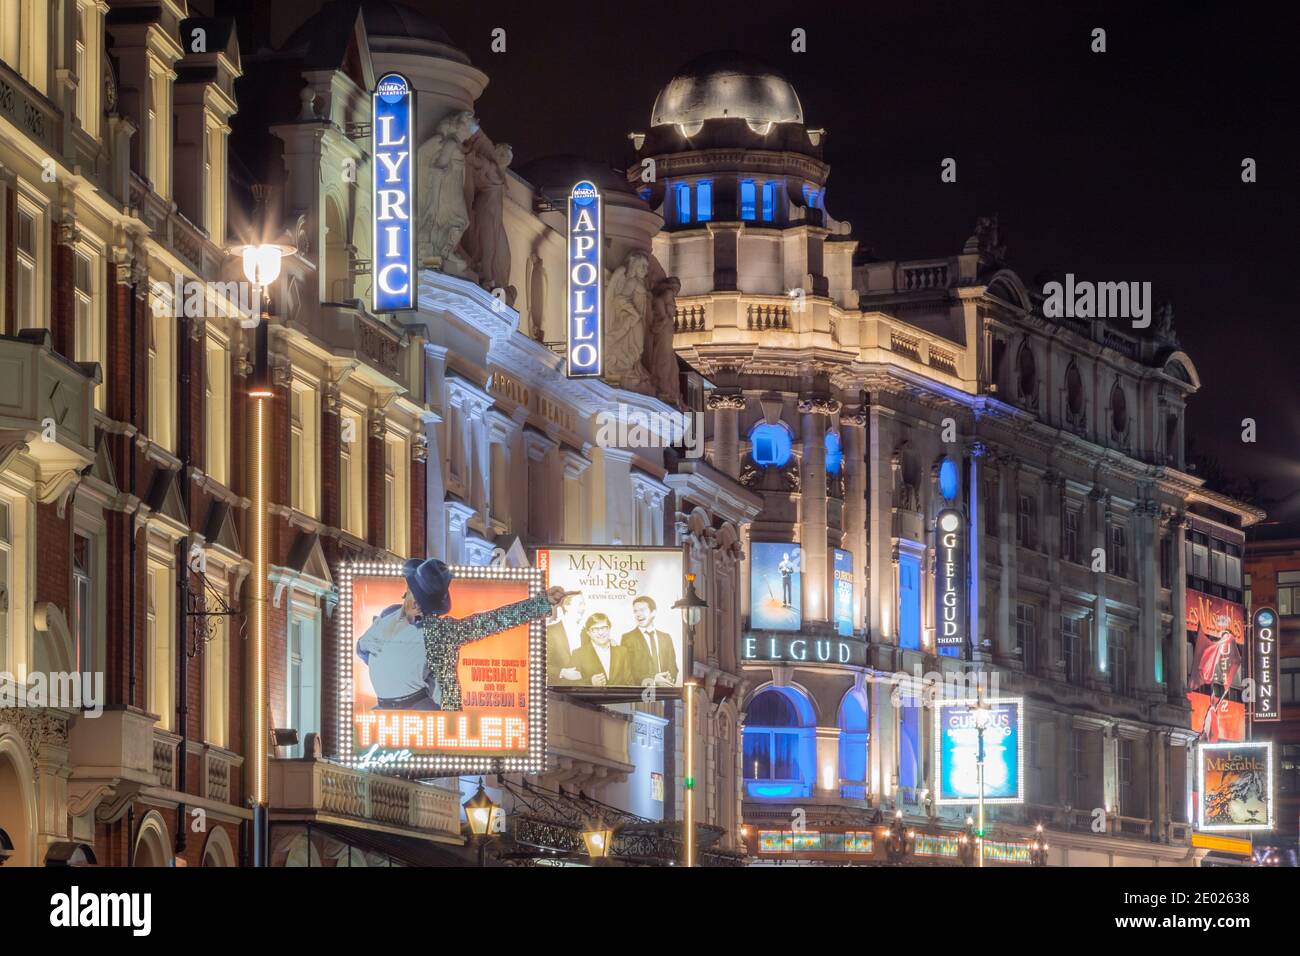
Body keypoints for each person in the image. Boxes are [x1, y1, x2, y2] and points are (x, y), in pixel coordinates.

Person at [401, 557, 574, 711]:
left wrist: (542, 602)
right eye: (414, 595)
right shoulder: (386, 623)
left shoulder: (442, 630)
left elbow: (494, 620)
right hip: (401, 718)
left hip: (439, 721)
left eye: (420, 599)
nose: (415, 604)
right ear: (406, 594)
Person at [357, 589, 437, 710]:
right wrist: (363, 646)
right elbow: (364, 647)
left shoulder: (430, 628)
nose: (419, 606)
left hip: (417, 705)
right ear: (407, 595)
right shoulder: (388, 614)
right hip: (383, 706)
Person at [619, 595, 678, 687]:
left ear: (653, 612)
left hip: (665, 693)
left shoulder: (666, 638)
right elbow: (627, 671)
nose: (638, 614)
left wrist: (669, 679)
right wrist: (653, 680)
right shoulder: (627, 638)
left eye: (642, 610)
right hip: (642, 694)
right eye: (635, 611)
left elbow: (673, 667)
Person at [569, 613, 631, 687]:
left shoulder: (622, 652)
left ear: (609, 629)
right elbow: (569, 685)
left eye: (604, 628)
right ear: (588, 632)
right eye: (595, 629)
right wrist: (590, 682)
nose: (600, 633)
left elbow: (630, 683)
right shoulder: (578, 654)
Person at [546, 592, 587, 684]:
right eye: (580, 604)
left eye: (584, 604)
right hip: (558, 693)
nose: (583, 608)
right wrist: (562, 672)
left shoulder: (585, 633)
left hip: (583, 691)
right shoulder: (550, 631)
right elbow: (539, 663)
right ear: (567, 606)